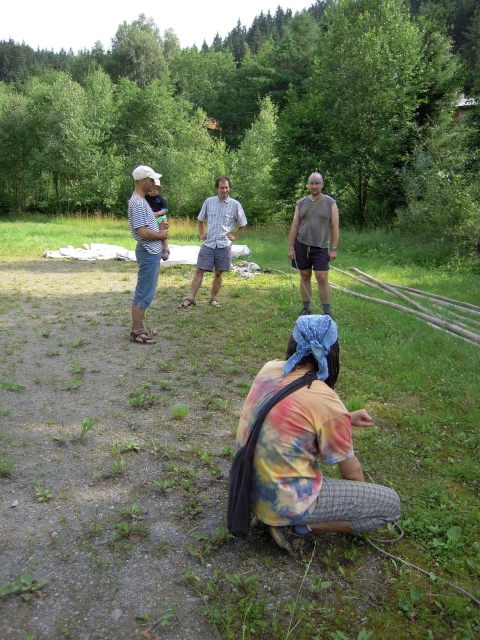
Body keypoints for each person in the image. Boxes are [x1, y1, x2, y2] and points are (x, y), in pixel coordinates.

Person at [235, 315, 401, 557]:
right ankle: (294, 526)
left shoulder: (270, 368)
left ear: (293, 342)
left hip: (246, 487)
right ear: (333, 352)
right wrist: (360, 504)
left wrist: (344, 418)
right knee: (390, 505)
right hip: (282, 502)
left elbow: (288, 413)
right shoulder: (325, 399)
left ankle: (275, 518)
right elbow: (352, 475)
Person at [178, 176, 247, 309]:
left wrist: (235, 236)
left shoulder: (235, 205)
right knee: (199, 270)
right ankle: (190, 298)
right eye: (222, 188)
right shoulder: (209, 202)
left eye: (226, 188)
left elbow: (243, 223)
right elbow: (200, 220)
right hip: (208, 244)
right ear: (217, 188)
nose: (224, 190)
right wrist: (201, 234)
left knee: (218, 273)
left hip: (224, 244)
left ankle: (213, 299)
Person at [288, 172, 339, 317]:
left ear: (322, 185)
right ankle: (306, 308)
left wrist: (334, 249)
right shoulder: (301, 203)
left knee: (322, 276)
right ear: (308, 185)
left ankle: (326, 312)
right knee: (305, 275)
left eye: (317, 183)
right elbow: (294, 226)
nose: (314, 186)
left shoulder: (330, 203)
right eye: (312, 183)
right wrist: (291, 247)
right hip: (302, 245)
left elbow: (335, 226)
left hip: (321, 246)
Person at [128, 165, 169, 345]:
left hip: (150, 251)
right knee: (144, 292)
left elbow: (146, 227)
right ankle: (137, 331)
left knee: (146, 291)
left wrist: (160, 228)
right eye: (151, 180)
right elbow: (143, 232)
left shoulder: (141, 200)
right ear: (142, 181)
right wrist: (161, 235)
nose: (154, 183)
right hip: (147, 251)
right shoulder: (138, 203)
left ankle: (139, 326)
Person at [145, 178, 170, 261]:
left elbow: (165, 210)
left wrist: (157, 213)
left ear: (159, 191)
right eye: (152, 189)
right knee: (150, 232)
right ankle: (154, 248)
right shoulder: (145, 198)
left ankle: (166, 249)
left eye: (156, 189)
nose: (154, 191)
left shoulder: (160, 199)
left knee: (163, 232)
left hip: (160, 217)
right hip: (149, 218)